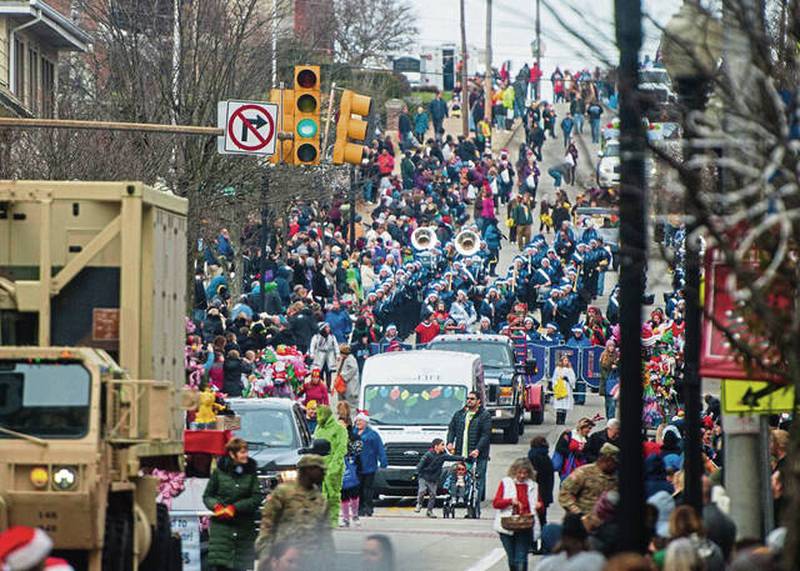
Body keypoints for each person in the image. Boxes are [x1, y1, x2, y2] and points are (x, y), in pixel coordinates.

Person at [256, 454, 334, 567]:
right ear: (308, 470)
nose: (323, 473)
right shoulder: (283, 493)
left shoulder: (320, 500)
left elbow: (325, 533)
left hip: (309, 559)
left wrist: (329, 560)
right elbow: (268, 525)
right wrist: (266, 555)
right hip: (284, 556)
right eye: (319, 470)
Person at [203, 438, 263, 571]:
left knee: (240, 566)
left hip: (244, 530)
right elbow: (207, 496)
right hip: (222, 531)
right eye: (242, 452)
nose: (245, 455)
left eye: (246, 451)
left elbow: (256, 497)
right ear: (232, 454)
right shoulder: (218, 473)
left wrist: (235, 508)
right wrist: (216, 507)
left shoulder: (251, 474)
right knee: (222, 565)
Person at [492, 457, 538, 571]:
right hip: (507, 525)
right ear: (514, 471)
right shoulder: (506, 482)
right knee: (512, 559)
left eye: (525, 473)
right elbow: (496, 503)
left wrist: (539, 505)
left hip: (524, 525)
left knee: (521, 559)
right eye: (519, 473)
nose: (522, 476)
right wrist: (510, 501)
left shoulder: (532, 485)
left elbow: (536, 503)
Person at [447, 390, 492, 504]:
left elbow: (485, 435)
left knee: (478, 477)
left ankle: (475, 503)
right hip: (461, 453)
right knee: (459, 476)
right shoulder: (460, 414)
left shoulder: (484, 415)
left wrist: (478, 449)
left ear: (479, 402)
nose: (469, 401)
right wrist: (450, 442)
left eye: (472, 399)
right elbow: (452, 429)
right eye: (468, 399)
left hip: (478, 455)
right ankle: (460, 497)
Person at [558, 443, 619, 517]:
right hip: (583, 519)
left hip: (607, 521)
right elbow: (565, 494)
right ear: (605, 460)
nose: (615, 466)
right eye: (613, 462)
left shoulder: (615, 476)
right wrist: (577, 513)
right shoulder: (583, 473)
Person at [312, 405, 348, 526]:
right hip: (319, 466)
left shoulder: (339, 429)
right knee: (319, 494)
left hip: (334, 467)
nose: (318, 418)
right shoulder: (318, 428)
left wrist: (334, 465)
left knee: (333, 494)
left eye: (320, 414)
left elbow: (342, 448)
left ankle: (333, 519)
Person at [415, 438, 466, 517]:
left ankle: (429, 511)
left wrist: (463, 458)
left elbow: (452, 457)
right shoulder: (428, 455)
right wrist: (417, 471)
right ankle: (419, 503)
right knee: (422, 491)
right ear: (436, 446)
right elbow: (421, 464)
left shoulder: (443, 455)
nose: (444, 447)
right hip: (424, 477)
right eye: (442, 445)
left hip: (433, 478)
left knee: (433, 494)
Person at [355, 412, 388, 517]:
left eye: (360, 421)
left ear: (366, 422)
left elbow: (380, 449)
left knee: (368, 488)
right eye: (357, 421)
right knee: (358, 488)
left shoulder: (373, 434)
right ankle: (359, 508)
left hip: (369, 466)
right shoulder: (353, 433)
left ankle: (368, 508)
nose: (358, 423)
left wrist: (383, 461)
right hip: (356, 466)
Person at [528, 436, 555, 535]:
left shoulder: (532, 455)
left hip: (536, 492)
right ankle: (543, 542)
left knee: (534, 520)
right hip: (546, 492)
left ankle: (534, 543)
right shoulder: (546, 457)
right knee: (542, 518)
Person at [552, 355, 577, 425]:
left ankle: (563, 420)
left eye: (567, 361)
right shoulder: (557, 369)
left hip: (567, 388)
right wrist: (555, 385)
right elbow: (554, 378)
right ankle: (558, 419)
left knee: (565, 405)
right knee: (559, 404)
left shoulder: (570, 370)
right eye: (565, 360)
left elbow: (573, 379)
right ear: (561, 361)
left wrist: (568, 379)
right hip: (560, 387)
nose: (566, 362)